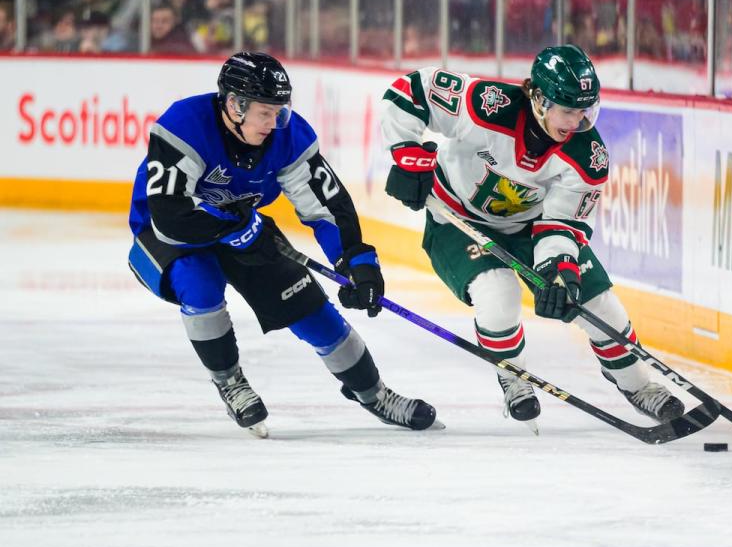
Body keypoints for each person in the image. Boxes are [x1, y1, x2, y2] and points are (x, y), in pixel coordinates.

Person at [127, 51, 438, 437]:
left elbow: (326, 207)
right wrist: (234, 225)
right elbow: (170, 217)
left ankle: (375, 395)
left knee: (310, 307)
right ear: (235, 105)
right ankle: (229, 381)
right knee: (200, 281)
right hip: (163, 234)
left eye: (280, 112)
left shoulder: (287, 135)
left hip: (242, 227)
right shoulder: (184, 124)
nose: (275, 123)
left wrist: (356, 260)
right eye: (265, 113)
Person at [379, 44, 684, 429]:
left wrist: (559, 269)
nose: (576, 121)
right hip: (455, 216)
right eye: (568, 110)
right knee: (496, 292)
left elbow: (563, 221)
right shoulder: (488, 106)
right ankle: (513, 377)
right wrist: (407, 155)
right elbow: (412, 91)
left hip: (530, 226)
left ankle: (638, 385)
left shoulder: (588, 155)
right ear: (538, 98)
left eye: (584, 111)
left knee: (599, 304)